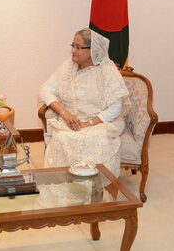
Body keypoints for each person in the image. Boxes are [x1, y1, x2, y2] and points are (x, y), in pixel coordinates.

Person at [39, 28, 130, 176]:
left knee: (93, 139)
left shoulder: (106, 70)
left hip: (101, 122)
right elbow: (44, 90)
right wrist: (64, 113)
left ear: (92, 50)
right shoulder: (68, 66)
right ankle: (66, 183)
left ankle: (93, 185)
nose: (73, 51)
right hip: (71, 120)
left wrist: (89, 124)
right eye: (73, 45)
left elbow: (115, 108)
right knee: (62, 137)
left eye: (79, 47)